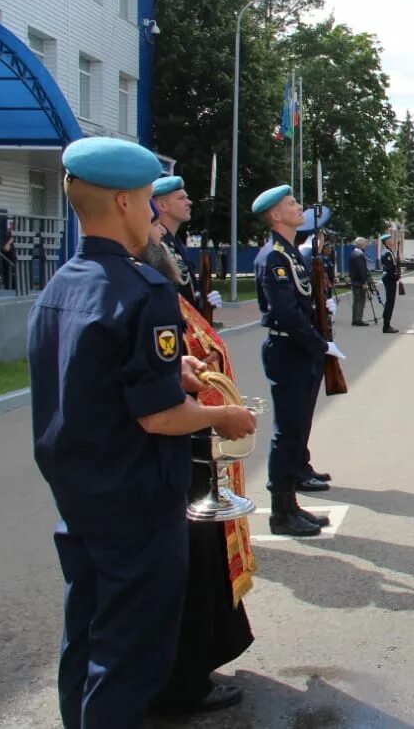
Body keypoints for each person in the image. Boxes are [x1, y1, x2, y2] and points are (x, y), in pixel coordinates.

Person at [28, 137, 256, 728]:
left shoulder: (60, 286)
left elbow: (95, 378)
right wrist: (223, 416)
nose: (155, 213)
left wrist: (165, 371)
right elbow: (160, 418)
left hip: (79, 496)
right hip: (137, 500)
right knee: (129, 656)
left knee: (85, 638)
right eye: (148, 202)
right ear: (127, 203)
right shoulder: (145, 289)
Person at [141, 209, 253, 717]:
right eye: (154, 222)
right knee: (186, 566)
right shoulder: (144, 294)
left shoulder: (158, 289)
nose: (161, 234)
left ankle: (192, 668)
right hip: (175, 453)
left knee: (197, 562)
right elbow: (152, 405)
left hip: (187, 448)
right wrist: (221, 413)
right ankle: (181, 683)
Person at [252, 184, 343, 537]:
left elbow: (303, 302)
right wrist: (321, 344)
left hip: (300, 350)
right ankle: (280, 512)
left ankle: (291, 504)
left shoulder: (289, 253)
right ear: (276, 215)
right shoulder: (274, 256)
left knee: (298, 429)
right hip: (289, 350)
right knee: (287, 433)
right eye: (292, 204)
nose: (299, 207)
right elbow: (286, 314)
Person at [152, 175, 222, 312]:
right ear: (162, 205)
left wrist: (202, 300)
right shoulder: (156, 244)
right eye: (181, 198)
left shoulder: (175, 242)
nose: (189, 202)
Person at [379, 233, 402, 333]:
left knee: (390, 302)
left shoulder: (389, 251)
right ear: (387, 241)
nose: (393, 240)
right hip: (389, 278)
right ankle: (386, 326)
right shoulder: (387, 253)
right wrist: (396, 275)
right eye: (391, 239)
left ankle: (387, 324)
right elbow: (390, 269)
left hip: (389, 278)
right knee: (390, 302)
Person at [349, 237, 370, 326]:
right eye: (365, 244)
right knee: (361, 300)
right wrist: (364, 282)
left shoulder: (354, 253)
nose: (366, 246)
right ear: (361, 244)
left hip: (354, 280)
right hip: (359, 282)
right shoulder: (360, 255)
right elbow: (362, 270)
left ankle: (355, 319)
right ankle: (358, 319)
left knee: (356, 300)